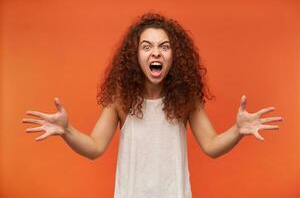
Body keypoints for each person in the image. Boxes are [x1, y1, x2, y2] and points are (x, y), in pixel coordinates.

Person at [22, 13, 283, 198]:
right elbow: (94, 147)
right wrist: (66, 131)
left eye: (164, 47)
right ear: (135, 56)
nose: (156, 53)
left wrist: (238, 131)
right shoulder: (120, 98)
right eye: (146, 47)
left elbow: (212, 146)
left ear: (174, 57)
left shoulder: (185, 98)